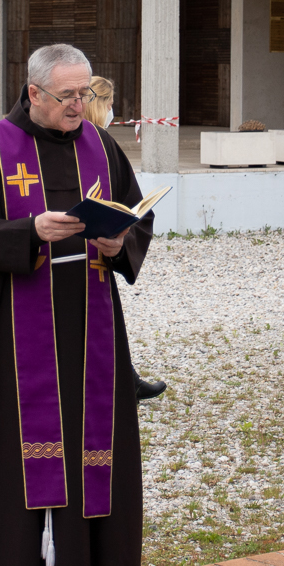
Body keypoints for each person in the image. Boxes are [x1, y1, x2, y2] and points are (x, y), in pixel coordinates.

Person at [0, 43, 154, 566]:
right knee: (16, 454)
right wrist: (29, 232)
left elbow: (138, 214)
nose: (80, 106)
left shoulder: (101, 147)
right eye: (68, 96)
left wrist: (119, 240)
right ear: (34, 93)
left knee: (89, 440)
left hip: (90, 324)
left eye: (87, 93)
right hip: (14, 329)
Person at [81, 75, 167, 402]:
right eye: (109, 104)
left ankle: (124, 379)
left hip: (98, 255)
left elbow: (127, 198)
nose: (112, 111)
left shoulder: (105, 146)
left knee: (103, 320)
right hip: (65, 252)